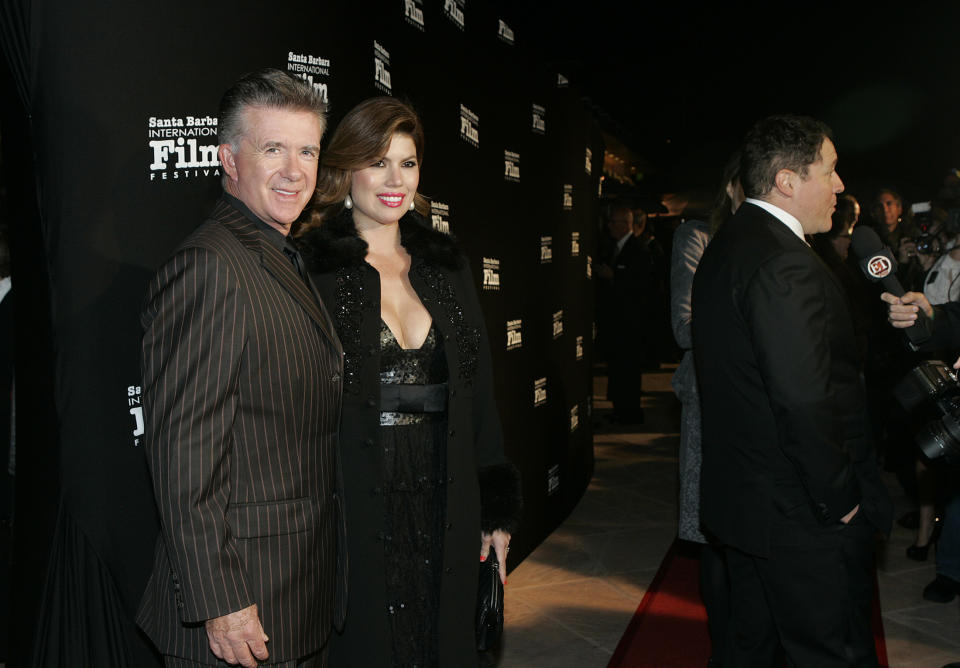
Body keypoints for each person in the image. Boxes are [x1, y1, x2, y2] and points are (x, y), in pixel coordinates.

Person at [297, 97, 522, 668]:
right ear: (346, 168)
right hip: (358, 498)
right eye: (378, 162)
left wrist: (495, 512)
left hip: (445, 490)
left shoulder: (447, 266)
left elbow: (479, 398)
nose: (395, 180)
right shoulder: (312, 269)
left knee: (440, 639)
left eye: (409, 163)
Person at [136, 69, 346, 668]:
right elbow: (184, 452)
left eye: (306, 150)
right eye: (272, 148)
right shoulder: (211, 266)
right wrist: (221, 602)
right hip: (241, 609)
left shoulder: (277, 252)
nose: (294, 170)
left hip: (293, 591)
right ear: (229, 159)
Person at [692, 115, 893, 667]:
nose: (840, 185)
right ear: (786, 180)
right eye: (828, 171)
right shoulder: (784, 260)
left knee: (751, 649)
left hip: (751, 507)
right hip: (800, 513)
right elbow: (802, 399)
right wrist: (843, 502)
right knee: (831, 652)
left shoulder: (733, 242)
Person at [669, 149, 742, 665]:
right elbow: (683, 323)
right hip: (711, 398)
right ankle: (726, 647)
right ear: (734, 186)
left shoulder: (785, 240)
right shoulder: (698, 236)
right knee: (715, 531)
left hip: (766, 399)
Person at [596, 203, 652, 423]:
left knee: (627, 369)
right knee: (618, 368)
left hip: (630, 324)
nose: (609, 226)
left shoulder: (638, 250)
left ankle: (629, 411)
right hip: (617, 323)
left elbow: (643, 285)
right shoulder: (614, 248)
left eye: (613, 222)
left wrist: (614, 278)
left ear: (625, 225)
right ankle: (621, 408)